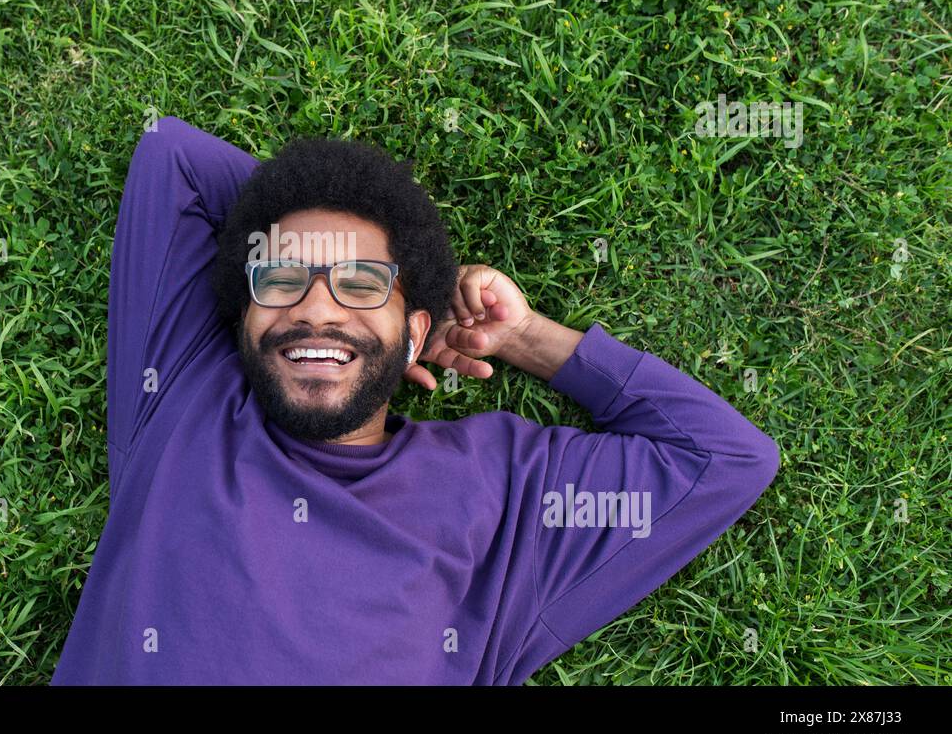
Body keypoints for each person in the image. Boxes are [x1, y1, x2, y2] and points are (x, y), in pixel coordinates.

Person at [50, 116, 779, 684]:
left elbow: (724, 458)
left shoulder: (504, 487)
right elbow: (171, 155)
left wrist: (522, 337)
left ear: (416, 332)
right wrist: (388, 290)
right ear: (242, 312)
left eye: (362, 285)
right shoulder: (183, 392)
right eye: (281, 279)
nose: (317, 308)